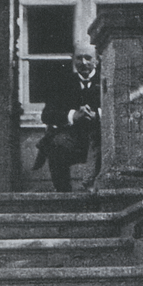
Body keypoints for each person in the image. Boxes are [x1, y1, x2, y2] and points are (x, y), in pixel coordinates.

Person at [33, 41, 101, 192]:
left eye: (88, 58)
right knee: (56, 145)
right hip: (74, 138)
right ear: (73, 60)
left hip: (101, 138)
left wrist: (98, 115)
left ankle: (99, 195)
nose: (83, 62)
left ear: (97, 60)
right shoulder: (62, 83)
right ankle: (64, 195)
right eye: (79, 58)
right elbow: (47, 115)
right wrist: (73, 115)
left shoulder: (106, 80)